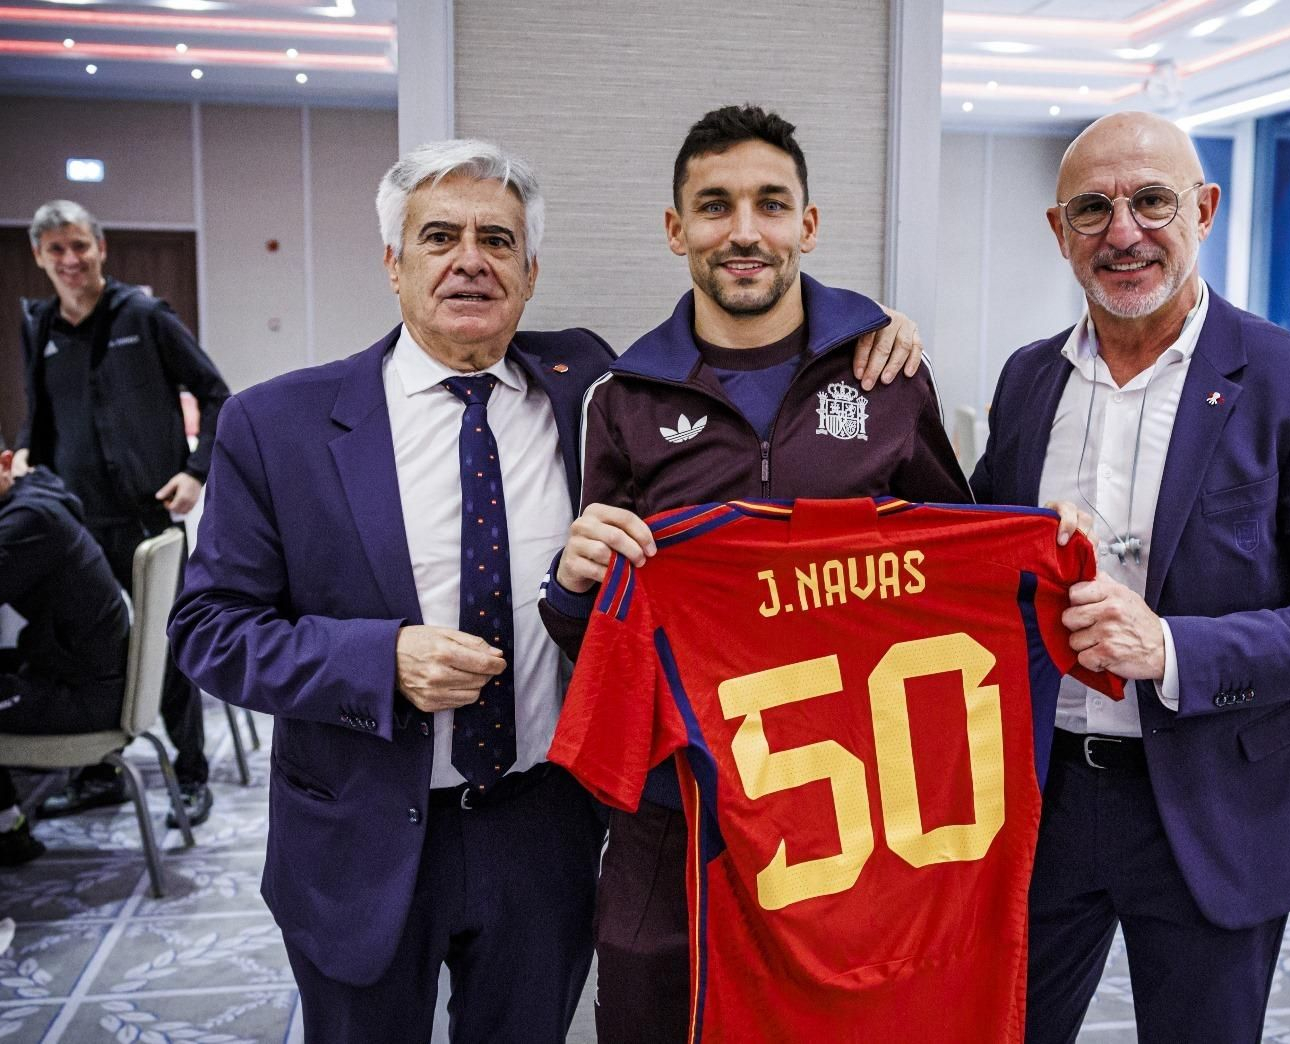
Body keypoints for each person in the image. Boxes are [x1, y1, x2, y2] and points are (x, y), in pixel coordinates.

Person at [167, 137, 921, 1043]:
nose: (470, 261)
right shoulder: (276, 423)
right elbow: (207, 629)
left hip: (543, 828)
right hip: (359, 837)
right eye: (439, 237)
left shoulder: (591, 387)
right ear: (393, 264)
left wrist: (864, 327)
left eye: (498, 240)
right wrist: (379, 659)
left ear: (530, 274)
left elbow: (733, 353)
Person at [968, 111, 1290, 1042]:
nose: (1123, 232)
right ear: (1059, 231)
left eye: (1152, 201)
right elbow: (966, 561)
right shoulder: (1027, 382)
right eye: (1092, 209)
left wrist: (1171, 647)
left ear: (1204, 210)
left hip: (1220, 807)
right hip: (1042, 799)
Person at [540, 104, 970, 1044]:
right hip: (676, 808)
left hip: (850, 812)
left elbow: (956, 581)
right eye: (714, 206)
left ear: (807, 224)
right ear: (676, 229)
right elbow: (602, 631)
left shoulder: (888, 375)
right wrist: (570, 588)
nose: (744, 231)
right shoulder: (623, 398)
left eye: (771, 204)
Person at [16, 200, 230, 828]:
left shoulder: (143, 315)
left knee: (170, 643)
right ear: (39, 257)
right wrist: (27, 458)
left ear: (100, 248)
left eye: (79, 245)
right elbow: (39, 413)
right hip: (72, 525)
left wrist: (196, 471)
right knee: (84, 648)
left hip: (146, 517)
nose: (70, 259)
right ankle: (98, 774)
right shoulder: (40, 325)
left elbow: (215, 394)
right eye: (56, 249)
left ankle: (191, 776)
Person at [0, 434, 130, 866]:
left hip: (86, 696)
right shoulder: (37, 495)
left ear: (6, 463)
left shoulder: (28, 520)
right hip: (86, 673)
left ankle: (8, 831)